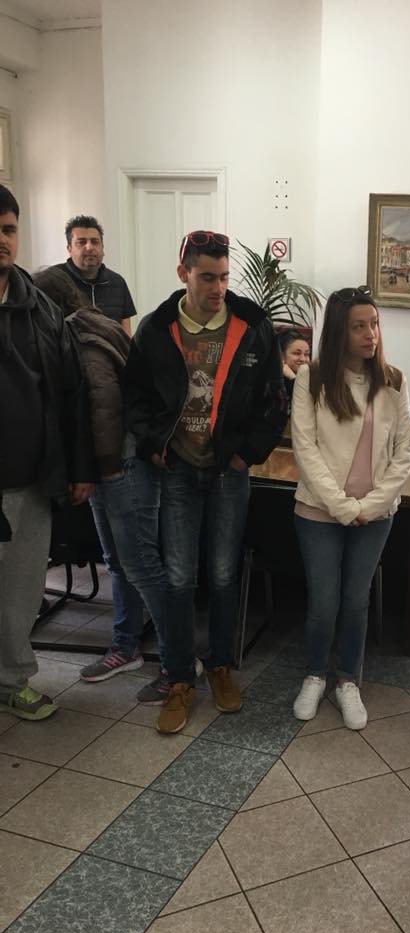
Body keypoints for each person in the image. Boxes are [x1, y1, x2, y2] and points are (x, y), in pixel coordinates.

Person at [124, 230, 287, 734]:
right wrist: (154, 446)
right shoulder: (155, 329)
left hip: (227, 473)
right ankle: (178, 677)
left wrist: (246, 455)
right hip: (177, 469)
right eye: (207, 277)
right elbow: (135, 398)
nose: (218, 288)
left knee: (222, 574)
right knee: (178, 578)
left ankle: (219, 665)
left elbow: (273, 400)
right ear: (184, 274)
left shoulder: (252, 326)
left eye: (224, 277)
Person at [32, 267, 169, 703]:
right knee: (120, 564)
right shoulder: (87, 324)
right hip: (111, 465)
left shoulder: (80, 334)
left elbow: (104, 405)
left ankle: (178, 662)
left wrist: (96, 471)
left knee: (141, 566)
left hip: (120, 465)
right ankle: (126, 646)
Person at [291, 286, 410, 730]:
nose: (370, 334)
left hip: (374, 515)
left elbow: (405, 451)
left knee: (355, 599)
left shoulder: (393, 380)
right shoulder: (312, 377)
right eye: (359, 326)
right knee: (324, 601)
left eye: (374, 324)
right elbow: (305, 449)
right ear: (339, 333)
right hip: (320, 511)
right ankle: (314, 675)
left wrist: (371, 504)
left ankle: (347, 680)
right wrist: (344, 506)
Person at [0, 186, 96, 721]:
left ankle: (12, 681)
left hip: (31, 480)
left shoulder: (41, 308)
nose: (2, 239)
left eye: (8, 229)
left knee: (21, 590)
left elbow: (70, 394)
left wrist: (78, 468)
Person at [55, 215, 136, 333]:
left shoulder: (117, 282)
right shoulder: (55, 281)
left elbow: (126, 334)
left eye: (95, 242)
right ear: (69, 249)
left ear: (103, 247)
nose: (89, 247)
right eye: (81, 242)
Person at [279, 329, 311, 402]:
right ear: (281, 355)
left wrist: (293, 377)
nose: (303, 359)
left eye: (306, 354)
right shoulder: (274, 383)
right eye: (296, 353)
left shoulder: (312, 379)